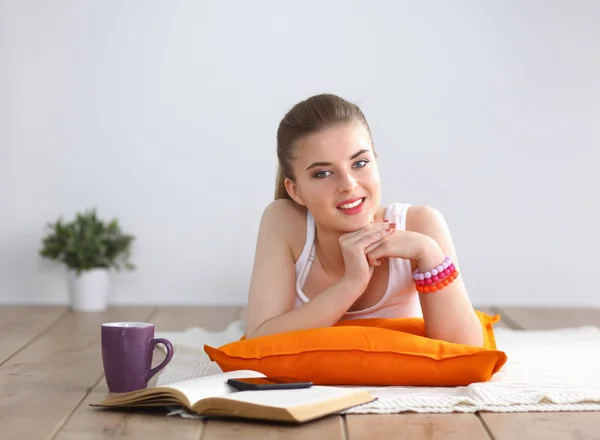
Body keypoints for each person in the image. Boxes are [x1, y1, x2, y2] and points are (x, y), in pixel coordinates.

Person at [244, 93, 483, 346]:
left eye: (359, 163)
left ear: (375, 162)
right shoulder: (284, 221)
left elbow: (468, 350)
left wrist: (429, 252)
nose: (348, 184)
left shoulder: (421, 225)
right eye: (323, 173)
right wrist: (351, 283)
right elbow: (257, 343)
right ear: (295, 190)